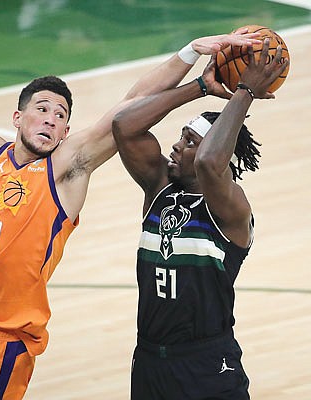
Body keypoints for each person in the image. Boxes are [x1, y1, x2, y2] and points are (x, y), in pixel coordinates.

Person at [0, 31, 262, 400]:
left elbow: (129, 106)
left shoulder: (67, 168)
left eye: (61, 116)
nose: (52, 118)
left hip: (0, 341)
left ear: (64, 132)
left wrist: (190, 59)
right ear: (18, 118)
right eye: (43, 108)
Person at [112, 39, 289, 399]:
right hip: (149, 359)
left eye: (190, 140)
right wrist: (198, 88)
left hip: (206, 362)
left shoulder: (230, 208)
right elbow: (124, 125)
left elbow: (210, 163)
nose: (177, 145)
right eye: (181, 136)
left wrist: (244, 92)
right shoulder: (159, 188)